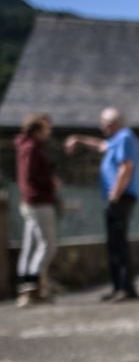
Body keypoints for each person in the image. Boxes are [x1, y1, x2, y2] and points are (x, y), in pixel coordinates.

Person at [65, 108, 139, 302]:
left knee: (118, 243)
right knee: (114, 244)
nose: (101, 128)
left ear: (111, 124)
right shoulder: (117, 140)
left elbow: (126, 166)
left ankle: (126, 288)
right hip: (118, 197)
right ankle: (119, 287)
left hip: (121, 197)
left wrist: (116, 191)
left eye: (103, 124)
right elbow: (100, 145)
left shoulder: (125, 137)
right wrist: (79, 139)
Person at [14, 113, 60, 307]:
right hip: (38, 201)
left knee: (30, 245)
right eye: (46, 128)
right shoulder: (31, 148)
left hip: (31, 201)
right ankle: (33, 285)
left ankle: (26, 286)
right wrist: (50, 183)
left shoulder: (26, 146)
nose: (49, 132)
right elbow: (30, 176)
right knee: (48, 246)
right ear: (37, 130)